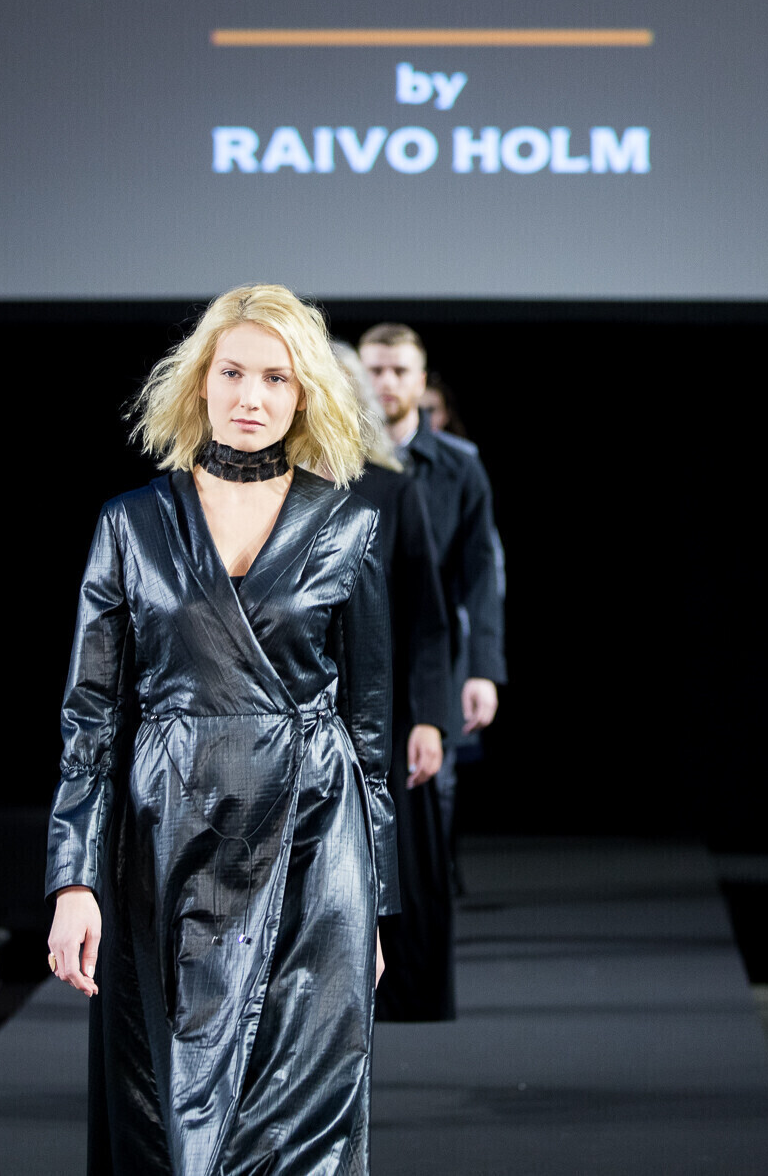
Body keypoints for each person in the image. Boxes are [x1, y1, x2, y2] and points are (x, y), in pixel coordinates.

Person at [45, 283, 396, 1175]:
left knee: (303, 1122)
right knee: (170, 1113)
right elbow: (90, 716)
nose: (250, 397)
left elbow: (369, 738)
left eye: (276, 377)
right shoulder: (131, 524)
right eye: (232, 372)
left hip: (315, 841)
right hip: (170, 840)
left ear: (304, 393)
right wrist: (73, 878)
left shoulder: (349, 524)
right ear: (198, 381)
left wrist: (374, 901)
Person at [334, 340, 457, 1021]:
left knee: (396, 856)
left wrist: (430, 717)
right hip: (298, 706)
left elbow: (427, 621)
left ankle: (398, 992)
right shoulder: (262, 493)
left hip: (383, 708)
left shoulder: (391, 488)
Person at [358, 322, 505, 843]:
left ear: (421, 381)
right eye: (375, 370)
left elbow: (481, 572)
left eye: (400, 371)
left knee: (431, 799)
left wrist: (483, 670)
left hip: (434, 655)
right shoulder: (339, 465)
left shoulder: (459, 468)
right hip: (359, 657)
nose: (386, 382)